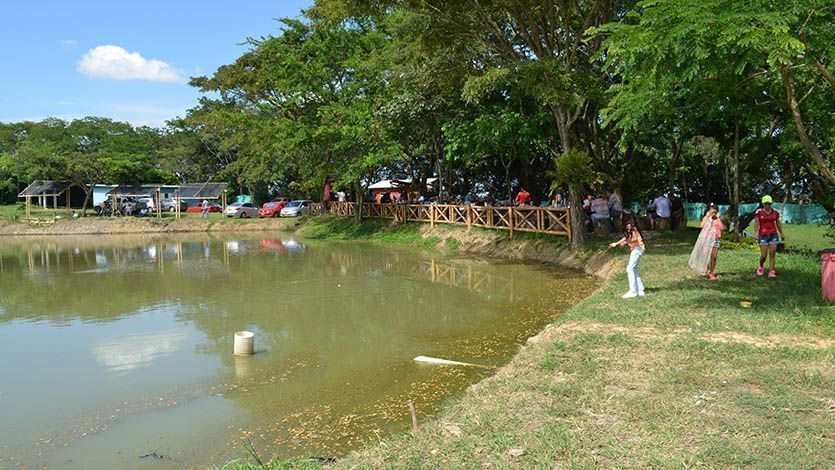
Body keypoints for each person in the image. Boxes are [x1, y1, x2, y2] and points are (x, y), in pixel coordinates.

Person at [609, 215, 646, 298]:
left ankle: (633, 291)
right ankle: (640, 289)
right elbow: (627, 237)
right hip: (637, 249)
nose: (620, 217)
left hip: (637, 249)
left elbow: (631, 238)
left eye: (622, 215)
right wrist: (617, 243)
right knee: (634, 269)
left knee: (629, 269)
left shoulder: (631, 227)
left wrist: (621, 243)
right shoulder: (630, 226)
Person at [753, 195, 786, 278]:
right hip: (763, 235)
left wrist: (781, 233)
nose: (767, 206)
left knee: (772, 253)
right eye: (765, 204)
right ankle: (760, 265)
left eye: (769, 204)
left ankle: (772, 271)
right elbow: (757, 223)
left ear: (771, 204)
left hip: (773, 235)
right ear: (763, 204)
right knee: (764, 255)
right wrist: (756, 232)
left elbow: (778, 223)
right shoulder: (759, 212)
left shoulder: (775, 212)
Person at [700, 204, 724, 280]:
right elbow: (701, 225)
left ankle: (712, 272)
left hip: (715, 239)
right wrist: (707, 217)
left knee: (714, 257)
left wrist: (718, 218)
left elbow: (721, 227)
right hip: (707, 239)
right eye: (711, 212)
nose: (713, 214)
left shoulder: (717, 219)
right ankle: (706, 267)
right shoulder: (706, 218)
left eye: (714, 212)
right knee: (705, 254)